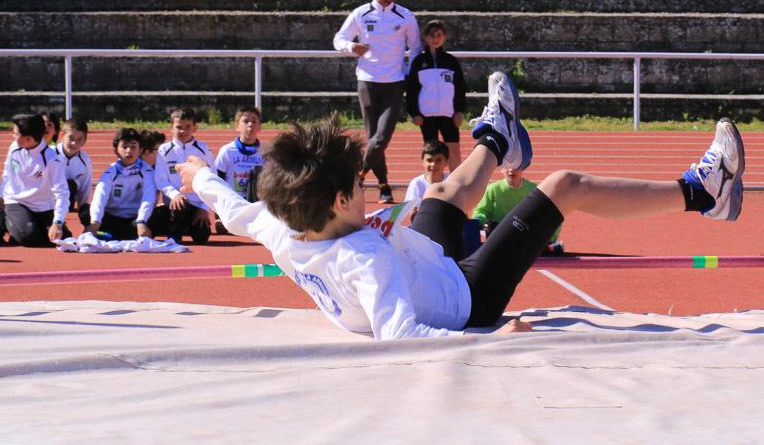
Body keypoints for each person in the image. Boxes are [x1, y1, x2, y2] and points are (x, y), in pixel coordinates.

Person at [177, 71, 744, 340]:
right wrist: (489, 339)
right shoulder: (365, 261)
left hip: (424, 261)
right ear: (343, 199)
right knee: (564, 184)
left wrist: (198, 173)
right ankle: (705, 192)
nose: (370, 192)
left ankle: (499, 138)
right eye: (361, 185)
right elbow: (400, 335)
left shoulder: (284, 229)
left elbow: (233, 208)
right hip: (467, 296)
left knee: (443, 192)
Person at [333, 0, 423, 204]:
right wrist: (352, 47)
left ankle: (357, 177)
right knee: (374, 137)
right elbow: (339, 39)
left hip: (394, 83)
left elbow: (416, 48)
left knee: (381, 137)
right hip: (367, 82)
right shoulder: (360, 14)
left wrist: (409, 71)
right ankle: (384, 186)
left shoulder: (405, 16)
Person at [0, 113, 71, 247]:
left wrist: (58, 222)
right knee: (29, 237)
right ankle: (2, 220)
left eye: (16, 134)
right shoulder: (14, 148)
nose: (13, 137)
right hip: (17, 201)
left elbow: (62, 192)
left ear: (28, 139)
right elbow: (7, 173)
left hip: (43, 206)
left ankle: (23, 227)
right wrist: (1, 194)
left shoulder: (51, 159)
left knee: (61, 239)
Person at [406, 19, 467, 171]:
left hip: (448, 114)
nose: (435, 38)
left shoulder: (451, 61)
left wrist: (458, 111)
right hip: (426, 115)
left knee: (453, 150)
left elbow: (460, 87)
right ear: (425, 37)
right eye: (432, 35)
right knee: (431, 152)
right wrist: (414, 113)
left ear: (444, 37)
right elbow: (412, 89)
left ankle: (456, 182)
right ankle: (432, 182)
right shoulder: (419, 62)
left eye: (439, 35)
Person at [154, 106, 216, 244]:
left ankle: (186, 227)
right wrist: (174, 194)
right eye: (179, 127)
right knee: (178, 207)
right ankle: (175, 230)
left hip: (197, 205)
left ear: (195, 128)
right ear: (171, 128)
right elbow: (160, 180)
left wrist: (204, 208)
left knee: (202, 238)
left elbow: (212, 180)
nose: (183, 131)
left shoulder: (203, 149)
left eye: (188, 127)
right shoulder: (164, 150)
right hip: (175, 204)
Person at [84, 128, 156, 241]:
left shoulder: (147, 172)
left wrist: (141, 221)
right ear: (116, 151)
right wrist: (95, 222)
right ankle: (121, 234)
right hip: (112, 217)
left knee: (160, 214)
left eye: (133, 147)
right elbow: (99, 197)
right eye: (124, 147)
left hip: (135, 219)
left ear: (140, 151)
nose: (129, 151)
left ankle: (110, 235)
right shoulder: (110, 171)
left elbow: (149, 197)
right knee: (85, 211)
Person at [473, 166, 562, 252]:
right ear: (501, 169)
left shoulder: (536, 191)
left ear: (523, 166)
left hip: (527, 241)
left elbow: (552, 216)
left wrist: (549, 237)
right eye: (507, 166)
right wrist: (486, 223)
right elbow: (479, 213)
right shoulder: (492, 190)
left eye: (516, 166)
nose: (511, 170)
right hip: (499, 241)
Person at [215, 105, 264, 234]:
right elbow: (217, 181)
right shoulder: (227, 151)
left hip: (254, 204)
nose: (250, 125)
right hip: (232, 203)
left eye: (254, 121)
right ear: (237, 126)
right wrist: (218, 215)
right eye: (245, 121)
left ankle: (257, 218)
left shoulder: (265, 154)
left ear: (259, 126)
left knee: (258, 172)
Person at [55, 118, 93, 229]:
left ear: (85, 141)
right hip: (47, 200)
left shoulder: (85, 161)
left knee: (71, 184)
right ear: (62, 136)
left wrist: (84, 215)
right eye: (70, 138)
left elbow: (85, 189)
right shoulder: (49, 154)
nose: (74, 143)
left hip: (67, 201)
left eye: (80, 139)